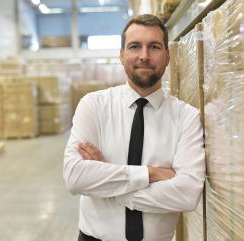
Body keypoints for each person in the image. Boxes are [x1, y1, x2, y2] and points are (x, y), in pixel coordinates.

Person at [63, 14, 205, 241]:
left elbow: (186, 194)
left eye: (155, 47)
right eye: (135, 46)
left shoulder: (186, 117)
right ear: (121, 55)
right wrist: (151, 173)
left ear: (168, 56)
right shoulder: (94, 105)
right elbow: (75, 177)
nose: (144, 56)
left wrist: (107, 182)